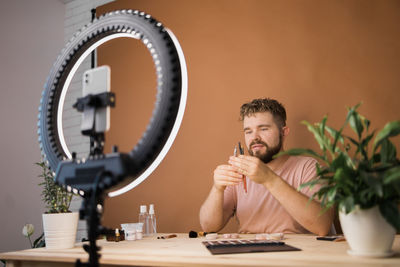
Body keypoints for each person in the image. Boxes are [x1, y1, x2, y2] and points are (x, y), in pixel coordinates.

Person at [199, 98, 334, 235]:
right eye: (248, 131)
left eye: (263, 129)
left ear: (284, 132)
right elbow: (208, 227)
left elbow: (322, 226)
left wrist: (269, 179)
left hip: (295, 253)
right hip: (247, 252)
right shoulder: (239, 172)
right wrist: (217, 189)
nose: (255, 137)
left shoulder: (307, 167)